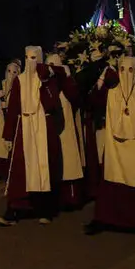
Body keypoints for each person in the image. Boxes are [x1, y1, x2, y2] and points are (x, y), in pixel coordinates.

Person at [84, 56, 135, 235]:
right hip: (114, 146)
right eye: (122, 70)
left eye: (130, 70)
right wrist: (101, 79)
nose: (126, 74)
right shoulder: (110, 92)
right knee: (110, 182)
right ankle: (105, 219)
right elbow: (93, 102)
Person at [0, 46, 61, 226]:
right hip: (24, 128)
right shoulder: (20, 80)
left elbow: (52, 105)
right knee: (20, 169)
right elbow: (14, 108)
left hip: (42, 126)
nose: (30, 61)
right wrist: (8, 135)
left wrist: (45, 80)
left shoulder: (48, 80)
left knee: (43, 168)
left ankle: (45, 209)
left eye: (34, 58)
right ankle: (14, 210)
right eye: (27, 58)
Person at [46, 52, 86, 210]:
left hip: (67, 128)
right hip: (52, 129)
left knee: (69, 163)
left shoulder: (67, 84)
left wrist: (68, 78)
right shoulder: (47, 84)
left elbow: (75, 98)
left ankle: (71, 198)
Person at [0, 60, 21, 180]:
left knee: (8, 145)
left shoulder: (19, 87)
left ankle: (8, 171)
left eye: (14, 72)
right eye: (9, 71)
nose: (11, 74)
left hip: (11, 119)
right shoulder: (1, 84)